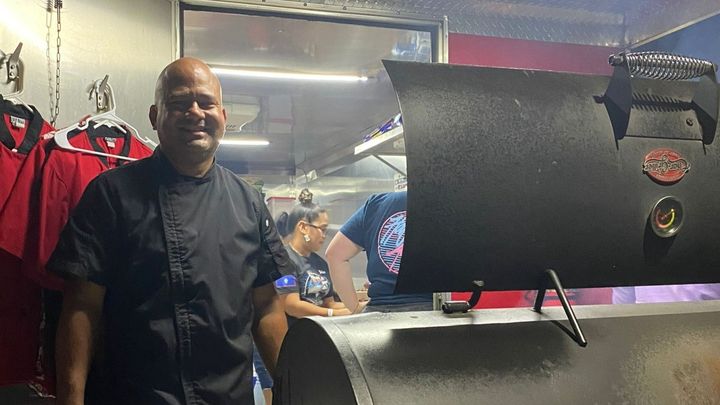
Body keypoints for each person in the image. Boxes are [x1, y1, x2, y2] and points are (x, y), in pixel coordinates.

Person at [48, 57, 293, 405]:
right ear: (154, 116)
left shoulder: (248, 202)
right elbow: (81, 307)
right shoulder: (111, 194)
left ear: (223, 116)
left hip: (229, 397)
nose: (195, 113)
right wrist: (70, 400)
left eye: (206, 103)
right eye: (179, 103)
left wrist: (294, 390)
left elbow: (266, 306)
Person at [326, 190, 433, 313]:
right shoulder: (442, 203)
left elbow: (334, 254)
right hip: (431, 310)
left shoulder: (377, 204)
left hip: (379, 312)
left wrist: (355, 308)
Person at [274, 189, 351, 324]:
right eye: (322, 229)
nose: (324, 235)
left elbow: (329, 303)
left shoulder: (321, 263)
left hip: (319, 331)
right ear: (303, 227)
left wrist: (356, 307)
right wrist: (333, 314)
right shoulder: (283, 260)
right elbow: (292, 306)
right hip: (295, 332)